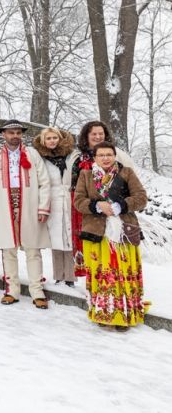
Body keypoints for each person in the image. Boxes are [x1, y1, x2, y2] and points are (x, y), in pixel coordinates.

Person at [73, 141, 148, 330]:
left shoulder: (126, 173)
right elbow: (78, 201)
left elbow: (141, 198)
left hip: (123, 233)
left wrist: (120, 205)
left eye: (109, 154)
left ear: (114, 156)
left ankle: (124, 314)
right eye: (101, 155)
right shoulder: (86, 175)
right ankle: (102, 312)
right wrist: (97, 206)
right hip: (97, 233)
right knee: (101, 275)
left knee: (122, 274)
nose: (105, 158)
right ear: (95, 158)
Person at [0, 120, 51, 308]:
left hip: (29, 205)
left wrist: (43, 207)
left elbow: (44, 182)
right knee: (8, 249)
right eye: (11, 133)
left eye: (18, 133)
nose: (15, 136)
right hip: (4, 207)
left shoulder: (32, 154)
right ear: (3, 135)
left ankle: (37, 290)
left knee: (32, 250)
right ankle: (12, 290)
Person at [67, 120, 136, 277]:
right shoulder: (78, 157)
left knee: (110, 242)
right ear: (86, 136)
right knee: (89, 243)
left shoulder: (117, 154)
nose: (98, 136)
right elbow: (70, 183)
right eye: (94, 134)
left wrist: (120, 202)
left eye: (101, 133)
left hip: (112, 206)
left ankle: (112, 277)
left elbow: (130, 178)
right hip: (85, 206)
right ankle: (94, 279)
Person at [34, 127, 76, 286]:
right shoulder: (40, 158)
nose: (52, 141)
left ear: (60, 139)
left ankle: (70, 277)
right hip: (50, 200)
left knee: (69, 237)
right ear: (43, 141)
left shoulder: (70, 155)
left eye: (55, 138)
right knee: (56, 239)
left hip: (68, 199)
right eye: (48, 138)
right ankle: (59, 275)